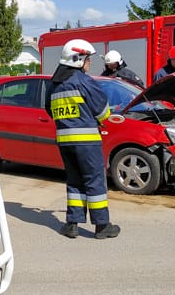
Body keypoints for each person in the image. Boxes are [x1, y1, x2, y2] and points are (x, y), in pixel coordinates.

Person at [45, 38, 120, 239]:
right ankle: (102, 225)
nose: (90, 63)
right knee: (95, 181)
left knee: (75, 181)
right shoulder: (83, 80)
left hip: (64, 141)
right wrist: (99, 118)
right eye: (87, 59)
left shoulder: (54, 84)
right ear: (77, 59)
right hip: (87, 141)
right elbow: (102, 111)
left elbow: (49, 110)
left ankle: (72, 224)